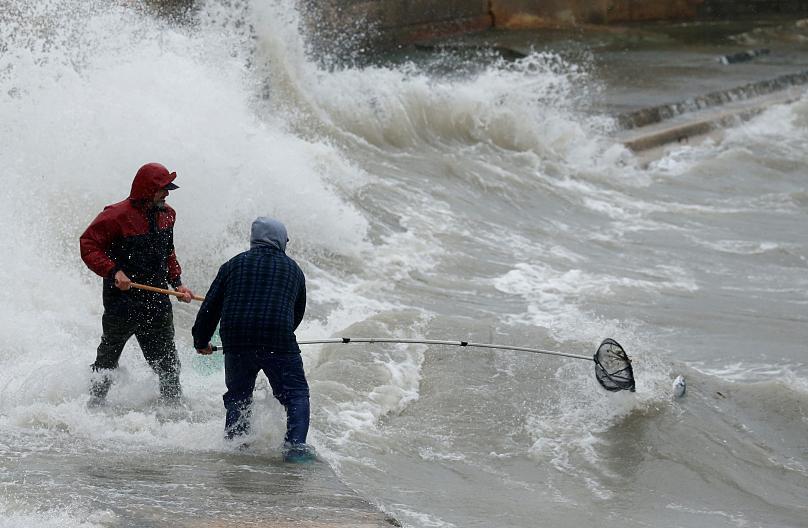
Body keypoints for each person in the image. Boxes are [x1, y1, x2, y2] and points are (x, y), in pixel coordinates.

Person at [192, 217, 312, 461]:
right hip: (278, 339)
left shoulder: (232, 265)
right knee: (296, 394)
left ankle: (236, 448)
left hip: (237, 340)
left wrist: (201, 341)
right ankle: (295, 449)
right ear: (278, 239)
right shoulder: (294, 271)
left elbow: (210, 307)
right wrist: (281, 337)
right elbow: (296, 314)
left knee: (238, 396)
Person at [80, 162, 195, 407]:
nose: (167, 194)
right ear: (146, 190)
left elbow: (168, 253)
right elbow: (88, 245)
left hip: (157, 300)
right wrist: (113, 271)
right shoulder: (115, 216)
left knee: (168, 364)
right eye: (163, 189)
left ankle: (173, 412)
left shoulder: (168, 215)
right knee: (107, 360)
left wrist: (178, 284)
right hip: (122, 300)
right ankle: (93, 407)